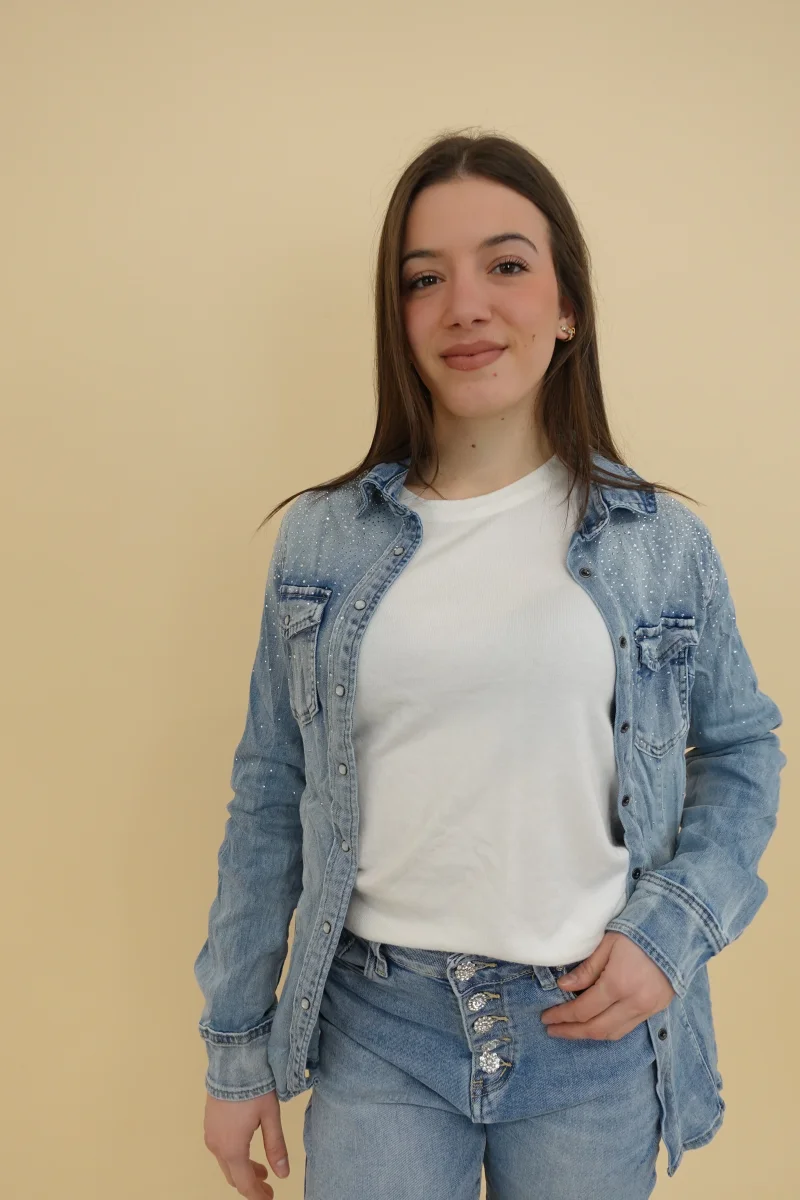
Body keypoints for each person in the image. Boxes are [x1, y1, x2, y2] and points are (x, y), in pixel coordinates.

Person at [194, 130, 786, 1199]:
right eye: (424, 279)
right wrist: (236, 1052)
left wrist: (672, 932)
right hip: (379, 1029)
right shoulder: (323, 542)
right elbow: (269, 794)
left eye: (505, 265)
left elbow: (742, 749)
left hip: (588, 1036)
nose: (464, 305)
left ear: (567, 308)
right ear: (398, 317)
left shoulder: (658, 542)